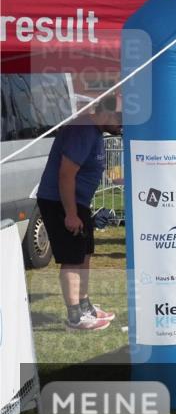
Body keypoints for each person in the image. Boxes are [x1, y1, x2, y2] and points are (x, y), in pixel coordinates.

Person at [37, 95, 121, 330]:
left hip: (77, 202)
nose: (123, 124)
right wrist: (71, 214)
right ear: (105, 111)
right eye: (121, 117)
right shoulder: (82, 130)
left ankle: (85, 306)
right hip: (60, 201)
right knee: (72, 259)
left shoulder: (94, 131)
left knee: (84, 255)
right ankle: (75, 316)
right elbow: (66, 175)